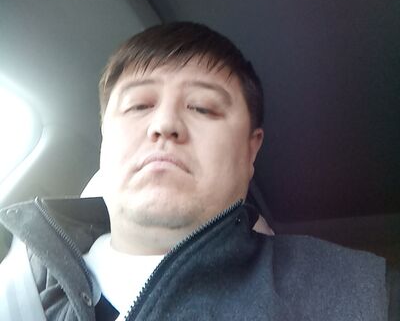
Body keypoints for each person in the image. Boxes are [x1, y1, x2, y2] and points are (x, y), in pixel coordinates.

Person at [0, 22, 396, 320]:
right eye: (139, 106)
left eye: (203, 108)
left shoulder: (359, 293)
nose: (164, 124)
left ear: (251, 150)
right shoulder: (16, 289)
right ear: (105, 137)